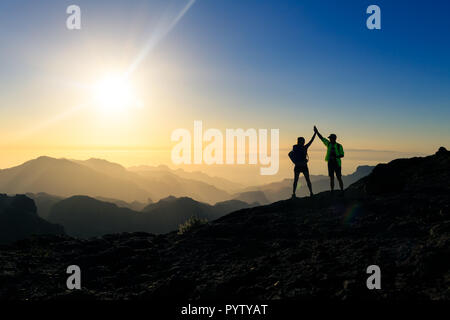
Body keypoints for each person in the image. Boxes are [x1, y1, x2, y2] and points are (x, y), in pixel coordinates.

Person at [314, 125, 344, 192]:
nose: (329, 139)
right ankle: (332, 191)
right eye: (330, 138)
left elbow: (342, 155)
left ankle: (342, 190)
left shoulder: (339, 146)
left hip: (337, 163)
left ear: (334, 138)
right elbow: (322, 138)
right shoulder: (328, 144)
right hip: (330, 163)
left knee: (339, 177)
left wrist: (335, 157)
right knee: (332, 178)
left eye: (330, 138)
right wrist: (317, 132)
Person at [289, 132, 316, 198]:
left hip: (298, 166)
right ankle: (311, 193)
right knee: (307, 180)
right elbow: (311, 141)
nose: (304, 142)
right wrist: (315, 133)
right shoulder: (304, 147)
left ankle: (293, 194)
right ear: (301, 142)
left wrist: (295, 162)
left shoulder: (295, 148)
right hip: (303, 165)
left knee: (296, 180)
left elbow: (289, 154)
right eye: (303, 141)